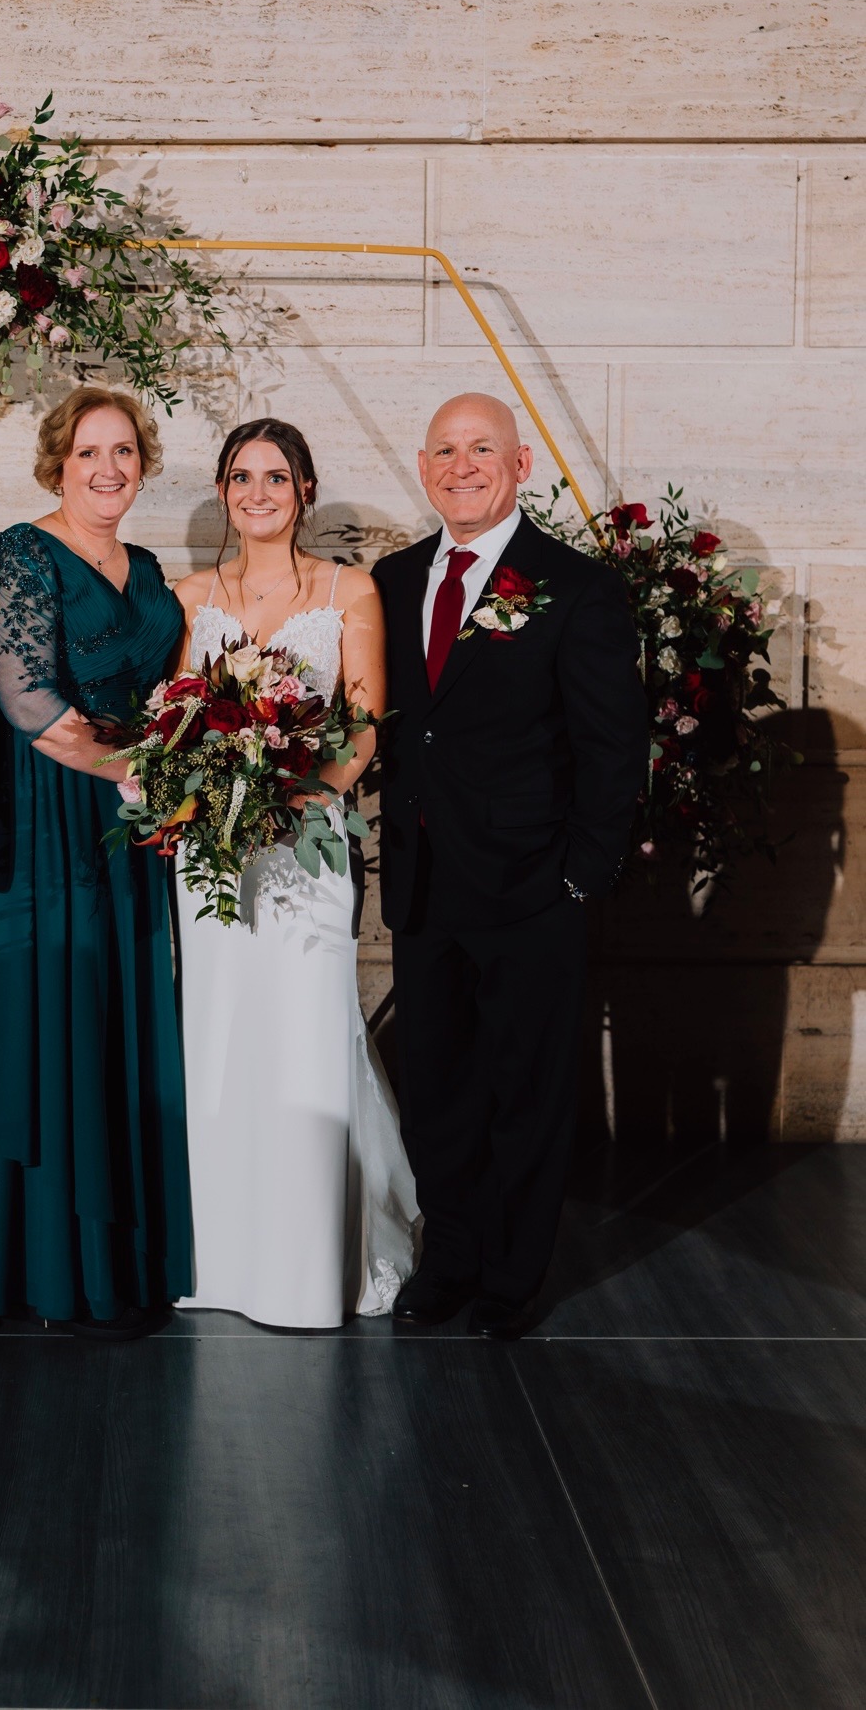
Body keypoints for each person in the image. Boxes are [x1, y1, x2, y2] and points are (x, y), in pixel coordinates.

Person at [373, 393, 648, 1339]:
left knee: (526, 1091)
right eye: (444, 450)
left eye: (481, 448)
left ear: (519, 464)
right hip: (422, 882)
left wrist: (580, 874)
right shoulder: (392, 579)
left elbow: (614, 745)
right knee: (437, 1088)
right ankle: (447, 1257)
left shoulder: (573, 586)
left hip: (531, 886)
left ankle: (510, 1276)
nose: (462, 466)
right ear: (423, 467)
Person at [0, 385, 192, 1339]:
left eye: (123, 451)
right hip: (47, 806)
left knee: (113, 1006)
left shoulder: (149, 565)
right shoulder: (24, 550)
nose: (107, 468)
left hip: (126, 814)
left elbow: (172, 690)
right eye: (88, 451)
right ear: (57, 463)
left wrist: (183, 772)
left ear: (143, 464)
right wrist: (140, 774)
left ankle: (117, 1258)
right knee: (42, 1004)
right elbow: (25, 698)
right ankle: (32, 1258)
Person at [171, 419, 419, 1330]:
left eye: (276, 476)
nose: (258, 492)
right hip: (214, 852)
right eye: (241, 476)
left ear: (305, 489)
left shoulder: (348, 589)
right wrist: (203, 788)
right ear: (222, 490)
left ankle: (307, 1266)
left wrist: (301, 795)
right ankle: (218, 1257)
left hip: (306, 842)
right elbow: (173, 722)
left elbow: (363, 722)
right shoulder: (189, 596)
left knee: (306, 1033)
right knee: (220, 1034)